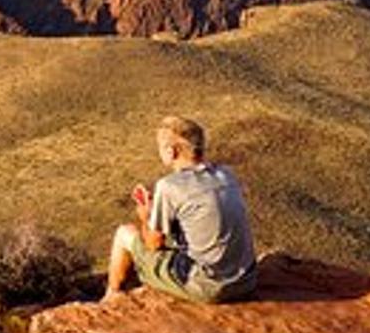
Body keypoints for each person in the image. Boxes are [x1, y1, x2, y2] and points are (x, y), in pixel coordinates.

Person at [103, 114, 258, 304]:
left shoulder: (169, 186)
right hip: (246, 281)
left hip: (208, 287)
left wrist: (146, 216)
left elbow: (153, 245)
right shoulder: (227, 174)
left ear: (171, 151)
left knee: (124, 234)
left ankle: (111, 297)